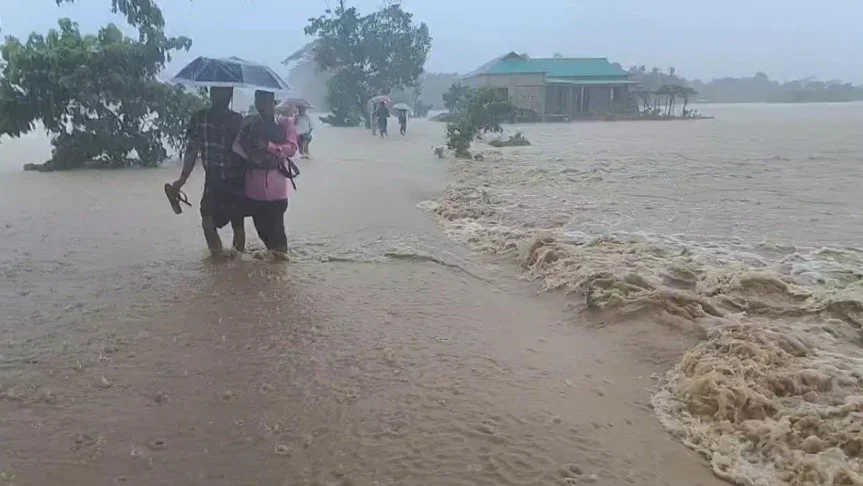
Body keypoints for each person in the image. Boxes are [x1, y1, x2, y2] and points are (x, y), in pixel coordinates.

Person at [169, 86, 245, 256]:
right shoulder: (231, 119)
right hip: (222, 179)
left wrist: (182, 179)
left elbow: (191, 150)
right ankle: (223, 261)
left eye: (222, 92)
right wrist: (182, 179)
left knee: (232, 223)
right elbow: (191, 149)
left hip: (229, 179)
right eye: (218, 92)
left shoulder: (232, 120)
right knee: (215, 220)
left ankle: (226, 262)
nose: (220, 96)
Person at [235, 90, 298, 254]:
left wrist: (269, 146)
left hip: (277, 189)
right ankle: (274, 266)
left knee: (277, 230)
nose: (260, 105)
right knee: (262, 230)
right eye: (258, 101)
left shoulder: (285, 124)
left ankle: (281, 267)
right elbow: (236, 146)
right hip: (253, 188)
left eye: (264, 101)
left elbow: (291, 148)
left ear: (274, 103)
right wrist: (251, 156)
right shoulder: (249, 123)